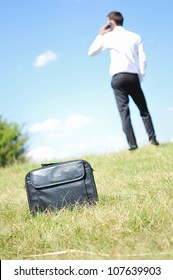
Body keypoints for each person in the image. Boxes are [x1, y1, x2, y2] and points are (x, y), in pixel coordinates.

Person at [88, 11, 159, 150]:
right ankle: (153, 139)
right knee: (143, 109)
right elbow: (143, 59)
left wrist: (100, 34)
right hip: (133, 76)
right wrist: (141, 75)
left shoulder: (108, 37)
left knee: (124, 112)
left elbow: (91, 52)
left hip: (118, 78)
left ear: (111, 22)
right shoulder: (135, 36)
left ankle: (132, 145)